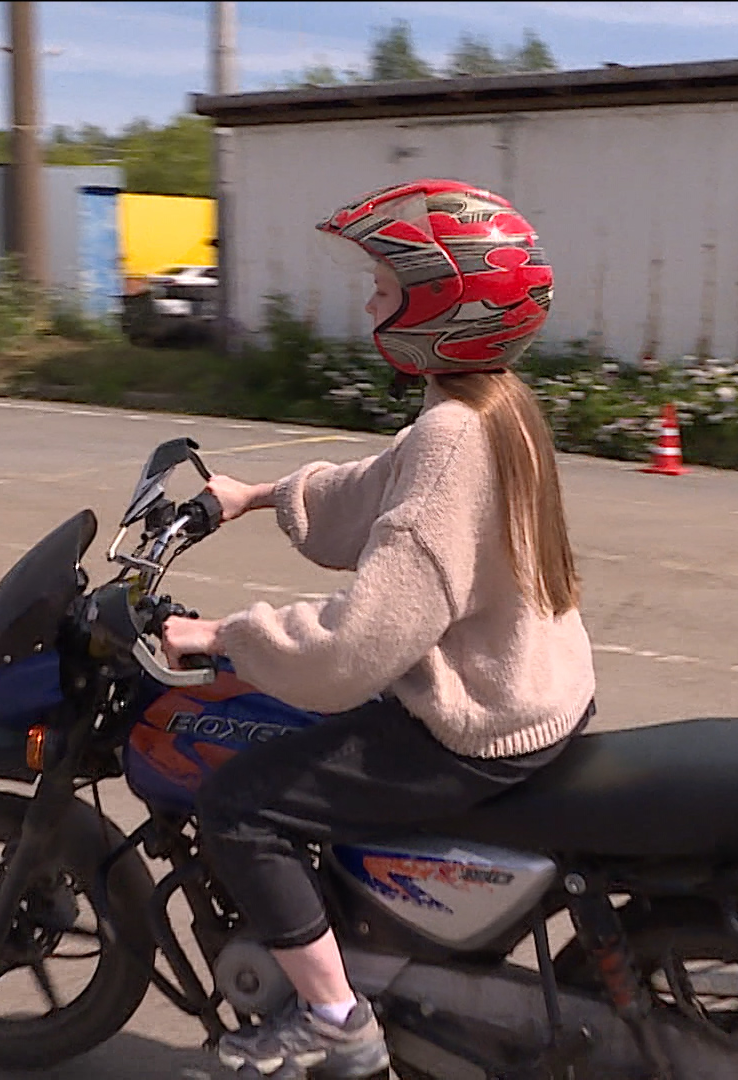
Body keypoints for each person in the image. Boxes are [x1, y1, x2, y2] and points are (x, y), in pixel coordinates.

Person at [160, 179, 596, 1080]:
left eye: (386, 286)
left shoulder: (452, 436)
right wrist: (260, 495)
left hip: (480, 721)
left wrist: (224, 635)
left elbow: (354, 651)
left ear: (444, 307)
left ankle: (333, 1018)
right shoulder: (493, 406)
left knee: (238, 806)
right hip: (540, 691)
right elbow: (377, 488)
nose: (369, 303)